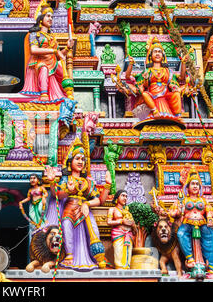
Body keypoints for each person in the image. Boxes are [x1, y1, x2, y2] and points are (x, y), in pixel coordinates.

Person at [46, 140, 111, 271]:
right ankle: (69, 257)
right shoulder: (66, 179)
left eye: (83, 159)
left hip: (85, 211)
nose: (80, 161)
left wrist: (107, 186)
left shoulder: (88, 181)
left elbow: (100, 201)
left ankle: (98, 258)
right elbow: (57, 195)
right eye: (77, 158)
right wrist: (52, 182)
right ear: (70, 162)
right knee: (66, 228)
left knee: (94, 231)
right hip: (69, 210)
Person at [169, 166, 213, 279]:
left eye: (197, 184)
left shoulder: (203, 200)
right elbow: (175, 212)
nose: (195, 186)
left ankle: (210, 269)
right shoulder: (184, 200)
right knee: (181, 234)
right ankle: (190, 260)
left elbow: (210, 212)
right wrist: (176, 212)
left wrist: (211, 219)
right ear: (187, 187)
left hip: (202, 224)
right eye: (193, 184)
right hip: (187, 224)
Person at [20, 0, 74, 102]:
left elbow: (59, 55)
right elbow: (34, 50)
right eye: (48, 16)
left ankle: (66, 96)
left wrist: (67, 48)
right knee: (43, 68)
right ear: (41, 19)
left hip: (53, 62)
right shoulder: (35, 35)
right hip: (40, 62)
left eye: (52, 17)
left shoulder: (52, 37)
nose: (50, 19)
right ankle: (44, 95)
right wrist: (53, 51)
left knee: (64, 75)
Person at [123, 37, 188, 121]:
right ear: (150, 55)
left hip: (165, 96)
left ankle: (178, 116)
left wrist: (183, 63)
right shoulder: (147, 71)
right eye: (155, 52)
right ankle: (155, 111)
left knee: (176, 94)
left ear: (163, 55)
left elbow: (182, 78)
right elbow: (128, 77)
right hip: (151, 97)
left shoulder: (168, 71)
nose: (157, 54)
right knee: (145, 94)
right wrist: (131, 64)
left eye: (159, 52)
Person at [107, 190, 136, 269]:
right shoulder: (112, 209)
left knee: (128, 253)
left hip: (128, 235)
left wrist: (133, 224)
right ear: (117, 198)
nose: (125, 198)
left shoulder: (127, 211)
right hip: (118, 234)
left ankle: (127, 268)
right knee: (118, 253)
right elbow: (109, 222)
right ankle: (119, 269)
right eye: (123, 195)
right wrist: (121, 221)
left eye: (126, 196)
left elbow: (133, 226)